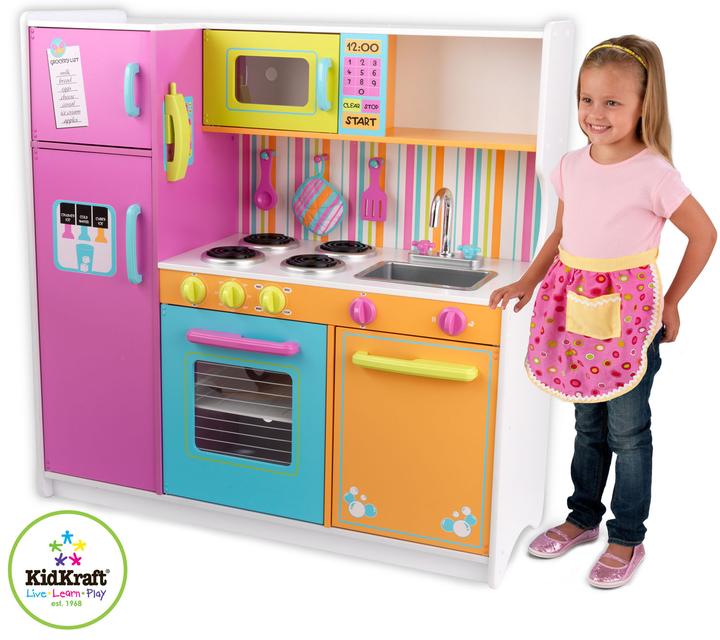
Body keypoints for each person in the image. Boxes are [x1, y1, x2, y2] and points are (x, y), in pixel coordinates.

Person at [489, 35, 716, 588]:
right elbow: (561, 234)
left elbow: (704, 234)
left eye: (612, 102)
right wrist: (526, 281)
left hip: (630, 317)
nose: (596, 113)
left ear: (643, 105)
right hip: (574, 309)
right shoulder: (571, 165)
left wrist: (672, 300)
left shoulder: (654, 173)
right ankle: (582, 518)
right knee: (587, 423)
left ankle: (627, 537)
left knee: (629, 431)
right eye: (587, 99)